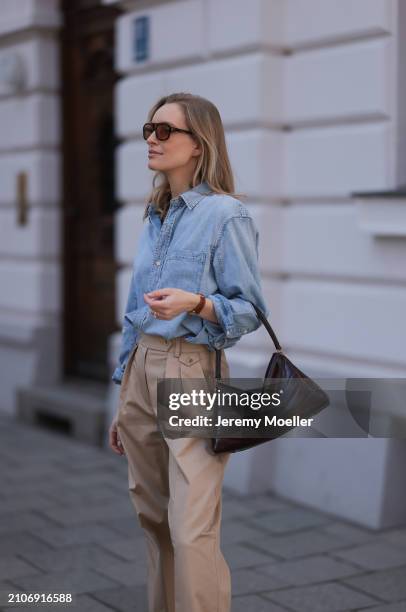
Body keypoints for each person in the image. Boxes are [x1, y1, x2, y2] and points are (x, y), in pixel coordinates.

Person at [108, 92, 269, 612]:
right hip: (141, 370)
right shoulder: (153, 216)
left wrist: (196, 303)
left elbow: (249, 311)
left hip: (191, 370)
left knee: (191, 526)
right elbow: (136, 308)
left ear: (199, 144)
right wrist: (123, 396)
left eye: (164, 131)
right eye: (148, 129)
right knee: (153, 518)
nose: (151, 140)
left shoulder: (226, 215)